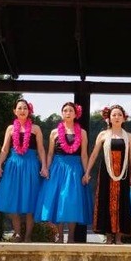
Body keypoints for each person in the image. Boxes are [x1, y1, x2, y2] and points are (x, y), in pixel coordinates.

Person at [36, 102, 89, 243]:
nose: (68, 113)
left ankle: (71, 237)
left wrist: (86, 172)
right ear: (62, 113)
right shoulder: (54, 132)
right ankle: (59, 236)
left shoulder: (82, 132)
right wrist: (46, 168)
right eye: (65, 110)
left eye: (71, 110)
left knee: (72, 201)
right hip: (58, 168)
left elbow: (84, 155)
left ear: (75, 114)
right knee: (58, 201)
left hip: (75, 169)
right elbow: (50, 153)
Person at [0, 99, 47, 242]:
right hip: (13, 165)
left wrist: (44, 166)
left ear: (29, 111)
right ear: (15, 111)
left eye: (25, 108)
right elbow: (5, 149)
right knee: (14, 200)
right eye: (19, 108)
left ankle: (28, 236)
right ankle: (17, 233)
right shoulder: (10, 128)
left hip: (31, 165)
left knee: (30, 200)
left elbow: (41, 149)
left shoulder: (36, 129)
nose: (22, 110)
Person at [85, 105, 131, 244]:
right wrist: (87, 172)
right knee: (105, 201)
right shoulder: (103, 135)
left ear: (124, 118)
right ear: (109, 118)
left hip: (123, 173)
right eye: (114, 115)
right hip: (106, 173)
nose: (117, 117)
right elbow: (94, 154)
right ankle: (108, 236)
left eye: (119, 115)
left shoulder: (129, 136)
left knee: (122, 202)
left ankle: (119, 236)